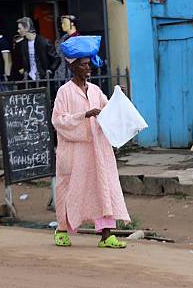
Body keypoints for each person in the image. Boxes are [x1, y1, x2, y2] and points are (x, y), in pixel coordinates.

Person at [51, 35, 130, 248]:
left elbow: (109, 111)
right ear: (73, 67)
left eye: (89, 64)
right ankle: (61, 229)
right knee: (71, 190)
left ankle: (106, 235)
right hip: (75, 153)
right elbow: (58, 120)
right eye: (84, 65)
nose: (88, 69)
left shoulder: (95, 90)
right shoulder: (64, 92)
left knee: (103, 188)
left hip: (98, 150)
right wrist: (84, 116)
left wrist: (119, 98)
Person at [16, 17, 59, 81]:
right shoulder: (23, 44)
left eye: (20, 28)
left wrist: (50, 69)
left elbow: (57, 58)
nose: (18, 31)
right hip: (30, 79)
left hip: (44, 78)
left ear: (27, 28)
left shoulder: (44, 42)